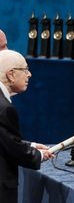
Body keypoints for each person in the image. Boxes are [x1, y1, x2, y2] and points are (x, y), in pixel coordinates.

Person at [0, 49, 53, 203]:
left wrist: (32, 145)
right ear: (11, 74)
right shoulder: (4, 107)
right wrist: (40, 155)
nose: (29, 74)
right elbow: (12, 148)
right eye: (25, 69)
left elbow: (4, 139)